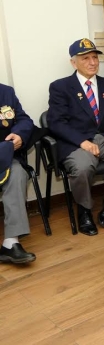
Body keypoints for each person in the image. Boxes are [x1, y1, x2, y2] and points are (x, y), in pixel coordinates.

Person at [47, 38, 104, 236]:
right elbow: (56, 122)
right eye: (85, 58)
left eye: (95, 57)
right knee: (82, 167)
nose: (92, 62)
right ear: (73, 63)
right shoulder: (61, 87)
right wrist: (82, 142)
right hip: (77, 143)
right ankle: (84, 211)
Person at [0, 84, 36, 264]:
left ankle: (10, 243)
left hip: (6, 157)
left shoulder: (6, 92)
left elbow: (24, 120)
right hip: (3, 151)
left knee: (17, 174)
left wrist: (19, 134)